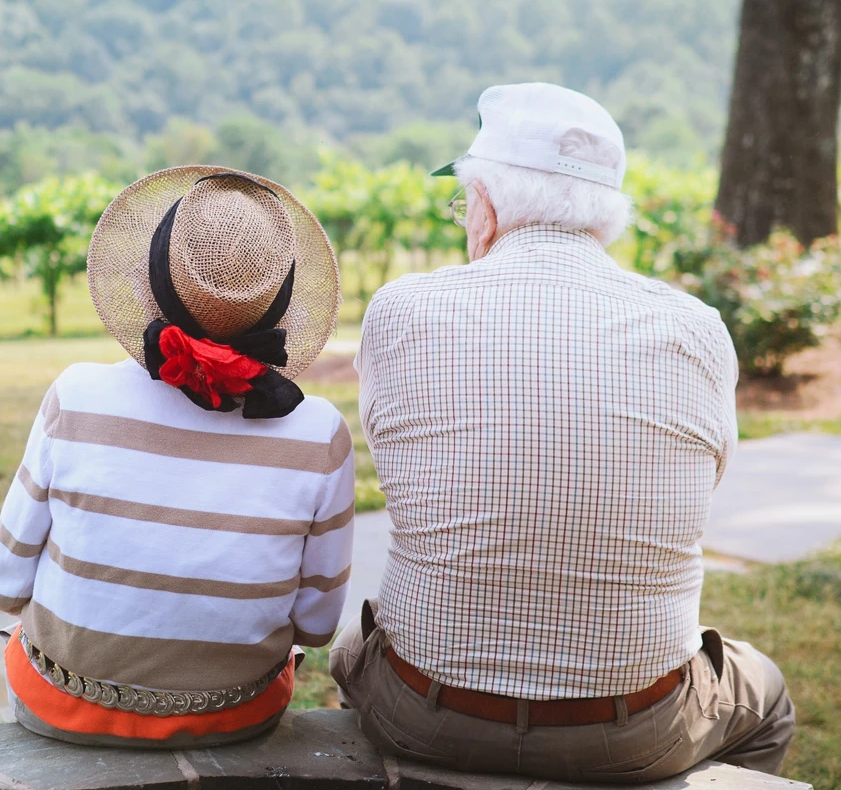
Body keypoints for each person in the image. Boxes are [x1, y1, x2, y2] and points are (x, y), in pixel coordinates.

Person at [331, 84, 795, 782]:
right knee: (768, 695)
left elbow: (398, 460)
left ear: (485, 203)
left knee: (351, 649)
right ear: (605, 215)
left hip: (423, 712)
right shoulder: (697, 328)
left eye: (463, 201)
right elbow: (707, 478)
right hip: (637, 728)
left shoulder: (402, 309)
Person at [0, 167, 355, 748]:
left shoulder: (76, 396)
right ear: (278, 302)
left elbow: (2, 583)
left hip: (61, 703)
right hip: (236, 714)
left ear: (150, 280)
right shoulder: (318, 432)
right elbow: (318, 626)